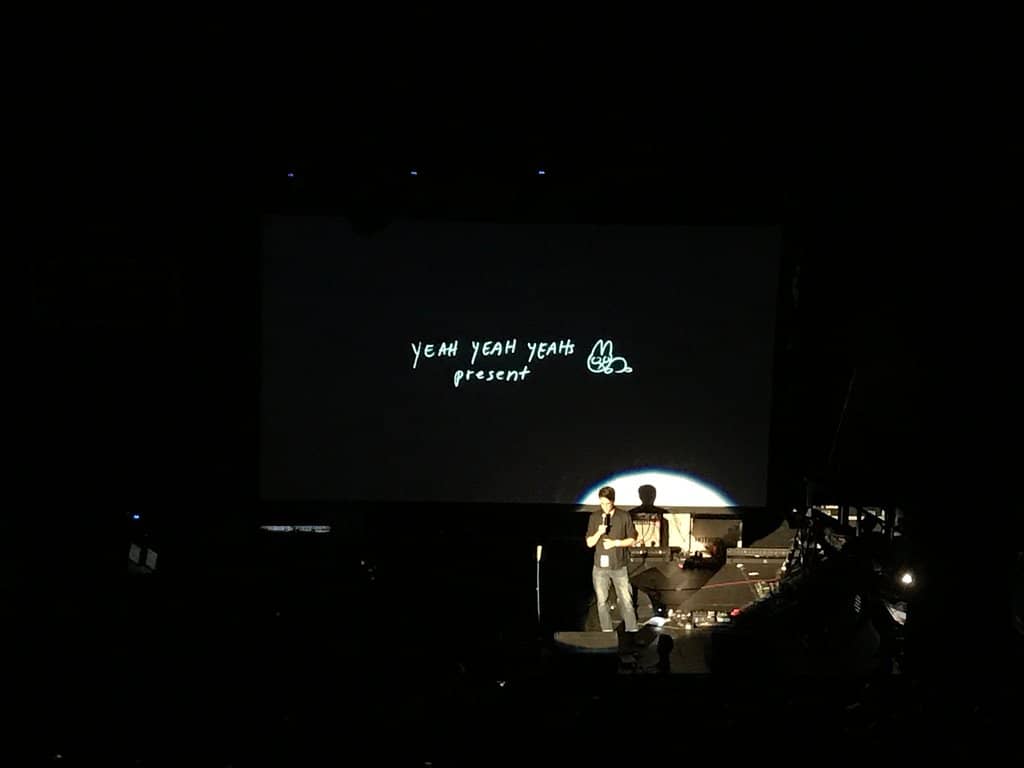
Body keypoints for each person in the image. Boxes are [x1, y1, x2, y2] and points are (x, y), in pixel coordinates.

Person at [585, 486, 638, 632]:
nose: (605, 507)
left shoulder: (624, 516)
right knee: (602, 602)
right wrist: (598, 532)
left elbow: (632, 539)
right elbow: (589, 543)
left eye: (607, 503)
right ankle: (607, 631)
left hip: (619, 566)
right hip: (600, 568)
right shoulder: (595, 517)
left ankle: (631, 630)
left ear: (613, 501)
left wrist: (616, 543)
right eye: (602, 503)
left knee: (626, 600)